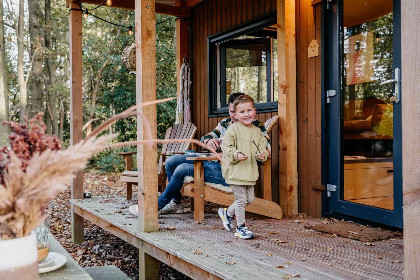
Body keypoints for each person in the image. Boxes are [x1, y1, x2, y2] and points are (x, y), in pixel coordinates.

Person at [129, 92, 269, 216]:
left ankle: (153, 208)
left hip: (231, 171)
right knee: (172, 162)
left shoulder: (256, 127)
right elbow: (205, 137)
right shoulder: (226, 123)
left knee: (182, 169)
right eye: (232, 112)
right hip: (212, 161)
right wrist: (209, 142)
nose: (234, 116)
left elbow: (264, 150)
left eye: (238, 111)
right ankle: (176, 203)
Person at [218, 95, 269, 239]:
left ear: (255, 111)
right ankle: (240, 228)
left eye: (249, 110)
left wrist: (261, 154)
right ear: (235, 114)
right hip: (235, 170)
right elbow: (226, 147)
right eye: (242, 112)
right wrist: (236, 154)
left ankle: (227, 213)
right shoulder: (233, 129)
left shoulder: (257, 131)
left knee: (250, 199)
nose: (246, 114)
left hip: (249, 172)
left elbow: (263, 148)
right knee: (241, 200)